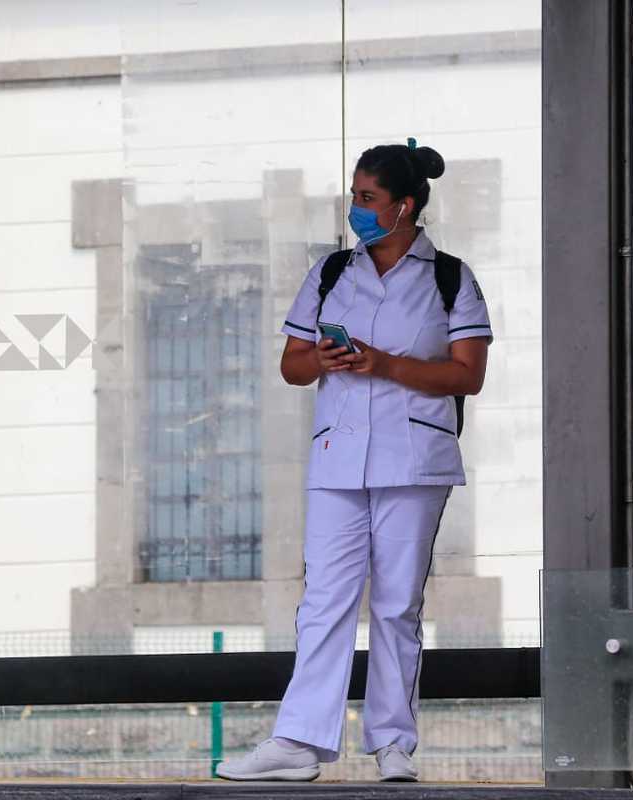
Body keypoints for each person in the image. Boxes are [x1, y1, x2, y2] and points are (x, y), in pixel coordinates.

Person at [216, 140, 492, 783]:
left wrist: (386, 364)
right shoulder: (331, 272)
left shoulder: (450, 276)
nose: (355, 210)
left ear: (405, 206)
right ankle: (298, 743)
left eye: (367, 199)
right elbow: (292, 365)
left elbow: (468, 375)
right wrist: (326, 360)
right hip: (339, 456)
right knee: (324, 601)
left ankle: (393, 744)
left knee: (397, 604)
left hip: (414, 458)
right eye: (354, 197)